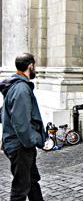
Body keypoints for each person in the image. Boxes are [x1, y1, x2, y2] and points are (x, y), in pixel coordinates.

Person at [0, 53, 46, 200]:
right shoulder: (20, 89)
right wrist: (31, 141)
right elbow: (21, 123)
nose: (35, 69)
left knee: (32, 183)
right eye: (35, 66)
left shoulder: (18, 86)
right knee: (21, 189)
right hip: (20, 146)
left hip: (20, 144)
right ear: (30, 66)